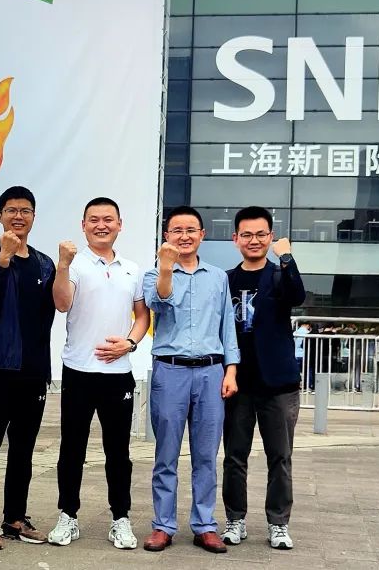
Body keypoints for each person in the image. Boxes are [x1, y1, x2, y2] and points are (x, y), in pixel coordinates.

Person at [47, 197, 150, 551]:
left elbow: (142, 316)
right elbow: (62, 303)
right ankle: (68, 515)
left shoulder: (132, 269)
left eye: (108, 219)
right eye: (94, 219)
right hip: (78, 371)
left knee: (118, 452)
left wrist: (130, 343)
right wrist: (63, 264)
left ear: (120, 224)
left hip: (118, 373)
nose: (101, 225)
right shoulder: (74, 265)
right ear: (83, 225)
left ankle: (120, 518)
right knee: (71, 449)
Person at [141, 205, 239, 555]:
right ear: (166, 235)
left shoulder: (218, 277)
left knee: (206, 454)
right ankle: (163, 525)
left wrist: (231, 369)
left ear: (202, 235)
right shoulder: (154, 273)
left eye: (191, 230)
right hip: (171, 371)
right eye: (177, 230)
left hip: (211, 372)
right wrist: (167, 268)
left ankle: (205, 525)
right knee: (166, 454)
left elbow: (227, 324)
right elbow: (160, 304)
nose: (184, 236)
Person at [0, 186, 56, 550]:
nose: (18, 216)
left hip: (33, 372)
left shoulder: (45, 263)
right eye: (11, 210)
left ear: (33, 217)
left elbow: (53, 310)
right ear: (0, 216)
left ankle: (15, 518)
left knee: (23, 450)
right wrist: (5, 258)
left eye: (25, 210)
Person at [219, 206, 305, 552]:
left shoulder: (279, 274)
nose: (253, 240)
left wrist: (286, 258)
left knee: (280, 458)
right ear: (235, 238)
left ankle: (278, 524)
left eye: (260, 234)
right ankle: (235, 519)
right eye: (247, 234)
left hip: (278, 383)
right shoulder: (226, 279)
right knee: (234, 456)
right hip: (237, 382)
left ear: (270, 237)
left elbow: (297, 296)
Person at [293, 321, 312, 391]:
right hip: (304, 355)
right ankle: (308, 386)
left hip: (296, 354)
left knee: (296, 372)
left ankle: (296, 386)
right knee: (308, 370)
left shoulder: (295, 332)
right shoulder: (308, 333)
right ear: (307, 325)